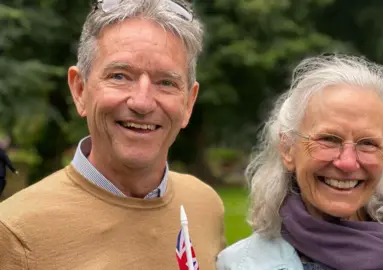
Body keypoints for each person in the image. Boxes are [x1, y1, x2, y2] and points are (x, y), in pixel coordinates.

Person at [0, 0, 225, 269]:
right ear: (80, 90)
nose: (142, 102)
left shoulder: (205, 205)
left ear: (189, 102)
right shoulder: (15, 233)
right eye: (119, 76)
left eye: (166, 82)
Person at [216, 55, 383, 270]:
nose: (347, 163)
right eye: (328, 139)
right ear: (288, 149)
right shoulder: (236, 265)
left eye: (368, 143)